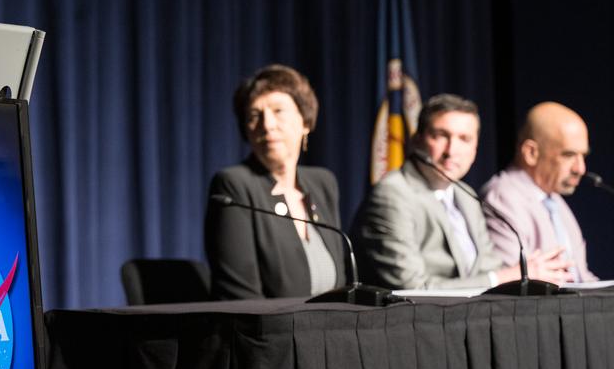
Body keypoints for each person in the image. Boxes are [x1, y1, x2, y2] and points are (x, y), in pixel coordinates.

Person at [354, 94, 571, 290]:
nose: (451, 151)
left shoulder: (465, 195)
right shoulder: (393, 196)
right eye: (441, 135)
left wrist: (524, 277)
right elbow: (413, 288)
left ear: (475, 149)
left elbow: (488, 268)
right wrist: (504, 277)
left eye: (464, 139)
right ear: (417, 140)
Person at [204, 64, 347, 299]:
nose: (267, 125)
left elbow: (342, 286)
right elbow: (240, 299)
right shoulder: (234, 186)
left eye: (278, 111)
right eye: (254, 116)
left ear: (305, 122)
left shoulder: (323, 183)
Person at [480, 102, 597, 282]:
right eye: (568, 155)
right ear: (531, 153)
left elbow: (581, 277)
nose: (580, 169)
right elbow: (514, 284)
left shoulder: (555, 202)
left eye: (583, 156)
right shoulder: (502, 198)